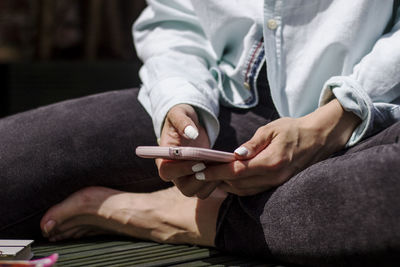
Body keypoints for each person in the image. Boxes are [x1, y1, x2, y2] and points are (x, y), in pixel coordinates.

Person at [1, 0, 400, 266]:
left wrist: (340, 116)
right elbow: (173, 18)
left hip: (374, 111)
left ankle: (191, 216)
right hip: (221, 101)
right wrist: (179, 101)